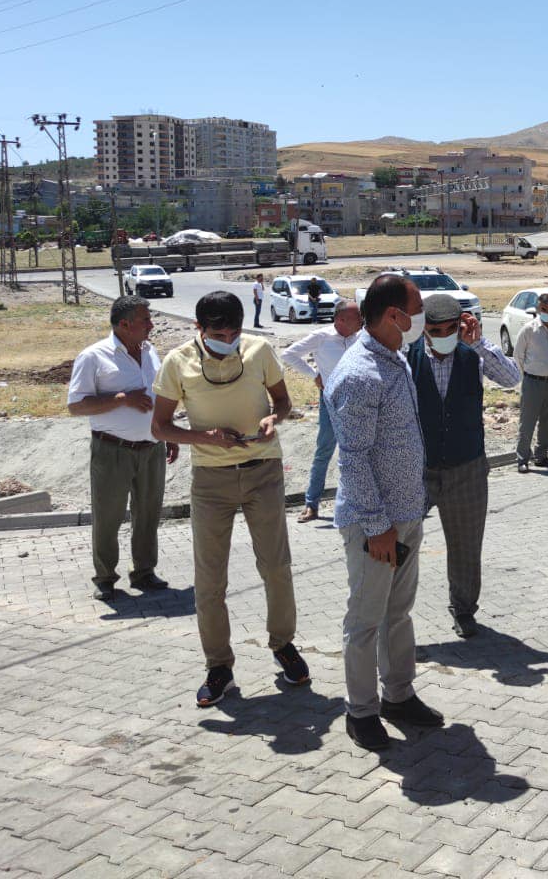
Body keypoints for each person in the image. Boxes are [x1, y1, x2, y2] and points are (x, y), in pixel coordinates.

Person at [151, 291, 308, 708]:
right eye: (218, 335)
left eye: (234, 333)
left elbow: (283, 400)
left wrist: (275, 417)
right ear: (198, 329)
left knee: (276, 566)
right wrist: (206, 437)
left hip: (263, 471)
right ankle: (218, 665)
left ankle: (283, 644)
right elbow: (160, 427)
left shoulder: (259, 350)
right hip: (211, 480)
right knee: (210, 579)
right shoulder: (177, 361)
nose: (228, 340)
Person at [328, 273, 444, 751]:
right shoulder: (359, 374)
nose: (420, 320)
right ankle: (361, 711)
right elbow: (352, 459)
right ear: (394, 315)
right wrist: (377, 528)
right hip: (373, 524)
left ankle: (398, 695)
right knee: (365, 620)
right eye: (415, 312)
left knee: (398, 614)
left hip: (405, 514)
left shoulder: (392, 359)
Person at [407, 292, 518, 639]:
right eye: (435, 331)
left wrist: (480, 342)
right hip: (418, 469)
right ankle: (393, 614)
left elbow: (512, 378)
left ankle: (464, 609)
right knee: (399, 542)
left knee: (466, 546)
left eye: (449, 330)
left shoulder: (474, 356)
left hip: (466, 468)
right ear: (423, 329)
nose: (443, 337)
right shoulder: (407, 357)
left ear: (460, 325)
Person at [67, 296, 180, 601]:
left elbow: (159, 397)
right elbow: (76, 406)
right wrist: (121, 399)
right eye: (146, 320)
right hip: (112, 450)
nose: (151, 325)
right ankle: (105, 577)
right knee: (108, 516)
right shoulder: (93, 356)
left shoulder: (150, 351)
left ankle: (144, 571)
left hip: (152, 447)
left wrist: (168, 432)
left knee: (148, 514)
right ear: (124, 324)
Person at [281, 300, 364, 522]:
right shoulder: (321, 337)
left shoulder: (361, 337)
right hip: (331, 402)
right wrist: (314, 375)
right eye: (357, 316)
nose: (361, 320)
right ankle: (311, 504)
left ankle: (359, 504)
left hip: (359, 402)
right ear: (341, 319)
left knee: (359, 453)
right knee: (324, 452)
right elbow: (288, 355)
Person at [513, 292, 548, 473]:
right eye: (544, 309)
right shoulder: (529, 330)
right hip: (532, 381)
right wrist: (526, 376)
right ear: (538, 309)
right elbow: (518, 356)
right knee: (527, 422)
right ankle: (522, 459)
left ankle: (541, 456)